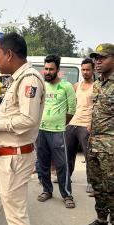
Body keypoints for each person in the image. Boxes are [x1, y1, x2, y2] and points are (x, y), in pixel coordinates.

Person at [0, 32, 45, 225]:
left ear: (9, 54)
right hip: (11, 157)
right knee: (13, 208)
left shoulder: (29, 79)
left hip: (15, 157)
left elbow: (28, 119)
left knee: (16, 214)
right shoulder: (19, 78)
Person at [36, 54, 76, 208]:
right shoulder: (42, 85)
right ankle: (47, 190)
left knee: (61, 165)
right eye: (45, 69)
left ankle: (67, 194)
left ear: (58, 70)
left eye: (50, 69)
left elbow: (72, 109)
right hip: (41, 131)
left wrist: (60, 124)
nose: (47, 72)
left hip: (58, 132)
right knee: (43, 163)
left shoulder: (66, 86)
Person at [87, 43, 114, 225]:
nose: (98, 62)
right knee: (97, 186)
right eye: (96, 58)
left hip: (111, 149)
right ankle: (101, 219)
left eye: (102, 58)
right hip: (94, 145)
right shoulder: (97, 84)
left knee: (112, 187)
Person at [65, 58, 94, 196]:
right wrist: (67, 121)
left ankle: (91, 182)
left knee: (89, 155)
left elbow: (98, 108)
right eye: (83, 69)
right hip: (72, 124)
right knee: (68, 154)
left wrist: (92, 124)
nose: (85, 72)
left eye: (88, 69)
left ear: (93, 70)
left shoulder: (97, 87)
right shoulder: (76, 85)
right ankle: (66, 178)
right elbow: (71, 105)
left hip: (86, 125)